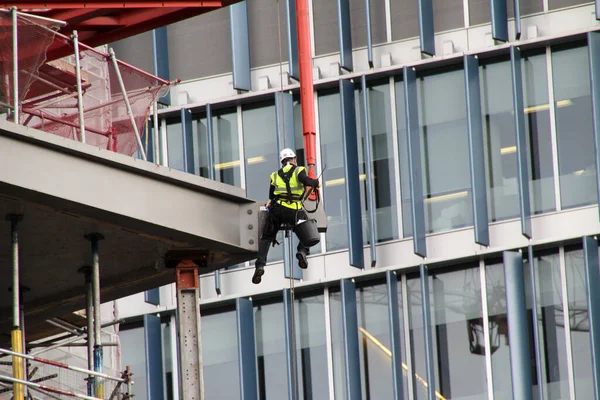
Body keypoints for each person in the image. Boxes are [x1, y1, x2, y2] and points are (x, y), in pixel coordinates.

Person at [252, 148, 320, 284]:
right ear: (294, 159)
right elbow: (306, 181)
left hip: (277, 210)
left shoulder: (275, 175)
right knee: (307, 229)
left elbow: (271, 195)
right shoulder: (299, 170)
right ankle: (302, 251)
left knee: (266, 237)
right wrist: (314, 183)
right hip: (294, 210)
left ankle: (260, 265)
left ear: (282, 161)